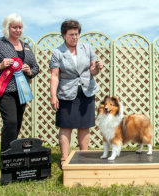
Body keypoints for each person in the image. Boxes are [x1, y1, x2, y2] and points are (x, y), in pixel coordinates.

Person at [0, 13, 39, 152]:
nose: (18, 30)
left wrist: (29, 71)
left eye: (20, 27)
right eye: (14, 27)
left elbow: (36, 67)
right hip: (5, 90)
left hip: (22, 91)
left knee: (17, 123)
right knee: (10, 122)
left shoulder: (26, 46)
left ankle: (13, 153)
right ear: (7, 28)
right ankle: (7, 156)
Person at [50, 19, 103, 168]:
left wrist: (98, 68)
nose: (75, 37)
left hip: (86, 92)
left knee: (84, 126)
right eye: (71, 34)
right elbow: (55, 75)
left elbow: (92, 71)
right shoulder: (57, 52)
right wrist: (53, 95)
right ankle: (64, 159)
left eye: (77, 34)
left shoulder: (87, 48)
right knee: (66, 126)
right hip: (66, 93)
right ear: (64, 35)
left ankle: (83, 157)